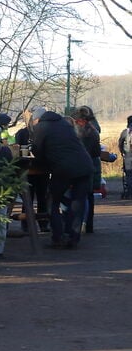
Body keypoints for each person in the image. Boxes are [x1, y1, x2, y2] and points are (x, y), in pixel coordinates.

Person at [30, 108, 93, 248]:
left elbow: (37, 151)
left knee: (52, 201)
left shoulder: (41, 127)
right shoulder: (64, 124)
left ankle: (58, 236)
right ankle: (73, 238)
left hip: (63, 169)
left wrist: (42, 162)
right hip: (84, 166)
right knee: (78, 203)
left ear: (36, 120)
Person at [14, 106, 50, 232]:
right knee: (30, 199)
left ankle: (39, 224)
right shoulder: (22, 133)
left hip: (38, 169)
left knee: (40, 198)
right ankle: (29, 224)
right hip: (30, 169)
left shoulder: (37, 132)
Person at [73, 106, 101, 234]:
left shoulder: (75, 131)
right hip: (90, 165)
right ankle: (88, 224)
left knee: (77, 196)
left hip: (77, 166)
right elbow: (96, 152)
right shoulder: (94, 131)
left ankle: (76, 225)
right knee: (88, 196)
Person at [119, 115, 132, 199]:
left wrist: (122, 152)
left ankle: (129, 192)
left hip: (128, 155)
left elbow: (120, 143)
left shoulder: (125, 132)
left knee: (129, 175)